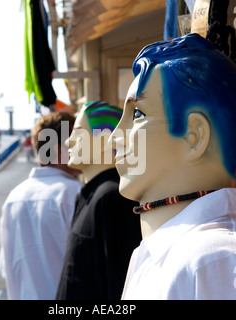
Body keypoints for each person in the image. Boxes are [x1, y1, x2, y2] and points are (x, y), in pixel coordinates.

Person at [110, 33, 236, 299]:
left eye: (138, 115)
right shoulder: (196, 255)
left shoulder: (219, 260)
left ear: (195, 136)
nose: (115, 137)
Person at [56, 101, 141, 300]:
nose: (69, 141)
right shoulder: (90, 194)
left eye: (78, 132)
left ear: (105, 140)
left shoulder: (111, 198)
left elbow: (119, 285)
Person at [0, 111, 83, 300]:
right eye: (77, 141)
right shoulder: (77, 194)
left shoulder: (13, 198)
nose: (82, 148)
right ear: (60, 149)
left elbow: (8, 268)